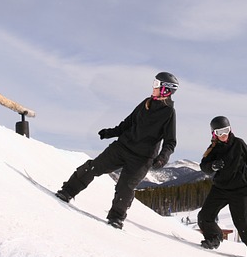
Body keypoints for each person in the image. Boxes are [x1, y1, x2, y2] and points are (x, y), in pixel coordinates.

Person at [54, 72, 179, 229]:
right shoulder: (146, 103)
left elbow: (170, 141)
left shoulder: (168, 112)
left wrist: (163, 157)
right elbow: (127, 123)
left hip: (142, 158)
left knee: (125, 187)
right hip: (122, 147)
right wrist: (110, 132)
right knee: (93, 167)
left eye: (156, 84)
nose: (153, 87)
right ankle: (67, 191)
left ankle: (116, 218)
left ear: (165, 89)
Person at [197, 116, 247, 257]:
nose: (223, 135)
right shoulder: (213, 149)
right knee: (204, 216)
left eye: (226, 130)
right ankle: (214, 238)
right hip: (220, 188)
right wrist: (212, 166)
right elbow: (204, 166)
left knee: (242, 223)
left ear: (230, 130)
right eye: (219, 132)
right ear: (214, 134)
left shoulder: (239, 144)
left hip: (240, 190)